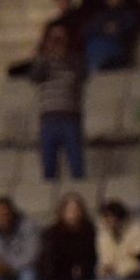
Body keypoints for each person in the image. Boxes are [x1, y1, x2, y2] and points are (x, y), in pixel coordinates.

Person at [30, 22, 87, 180]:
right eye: (54, 37)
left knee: (77, 165)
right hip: (49, 118)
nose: (58, 41)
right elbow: (34, 76)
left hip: (70, 117)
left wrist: (65, 56)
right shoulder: (44, 63)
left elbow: (82, 75)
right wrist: (44, 53)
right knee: (49, 168)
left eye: (61, 37)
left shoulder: (75, 61)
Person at [37, 192, 98, 280]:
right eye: (69, 210)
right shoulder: (52, 233)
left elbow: (90, 256)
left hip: (84, 273)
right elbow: (48, 258)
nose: (73, 213)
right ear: (62, 212)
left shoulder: (89, 232)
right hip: (60, 273)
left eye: (76, 209)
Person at [0, 196, 40, 280]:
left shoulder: (29, 227)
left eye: (6, 214)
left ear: (12, 213)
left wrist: (9, 267)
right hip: (5, 270)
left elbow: (32, 256)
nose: (3, 218)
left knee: (28, 276)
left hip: (26, 268)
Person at [96, 200, 140, 280]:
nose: (110, 221)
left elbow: (137, 254)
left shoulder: (136, 229)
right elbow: (106, 260)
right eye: (106, 218)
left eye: (112, 218)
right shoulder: (103, 235)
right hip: (111, 275)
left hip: (133, 273)